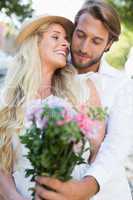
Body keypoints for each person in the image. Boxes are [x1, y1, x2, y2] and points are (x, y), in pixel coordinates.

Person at [35, 1, 133, 200]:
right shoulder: (51, 69)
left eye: (96, 41)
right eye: (80, 35)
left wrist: (84, 189)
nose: (83, 47)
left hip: (106, 194)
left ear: (109, 45)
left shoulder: (121, 85)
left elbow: (117, 146)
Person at [0, 14, 105, 200]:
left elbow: (99, 153)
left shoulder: (83, 89)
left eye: (66, 38)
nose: (65, 43)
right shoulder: (7, 101)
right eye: (56, 37)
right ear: (35, 44)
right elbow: (3, 164)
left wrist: (80, 191)